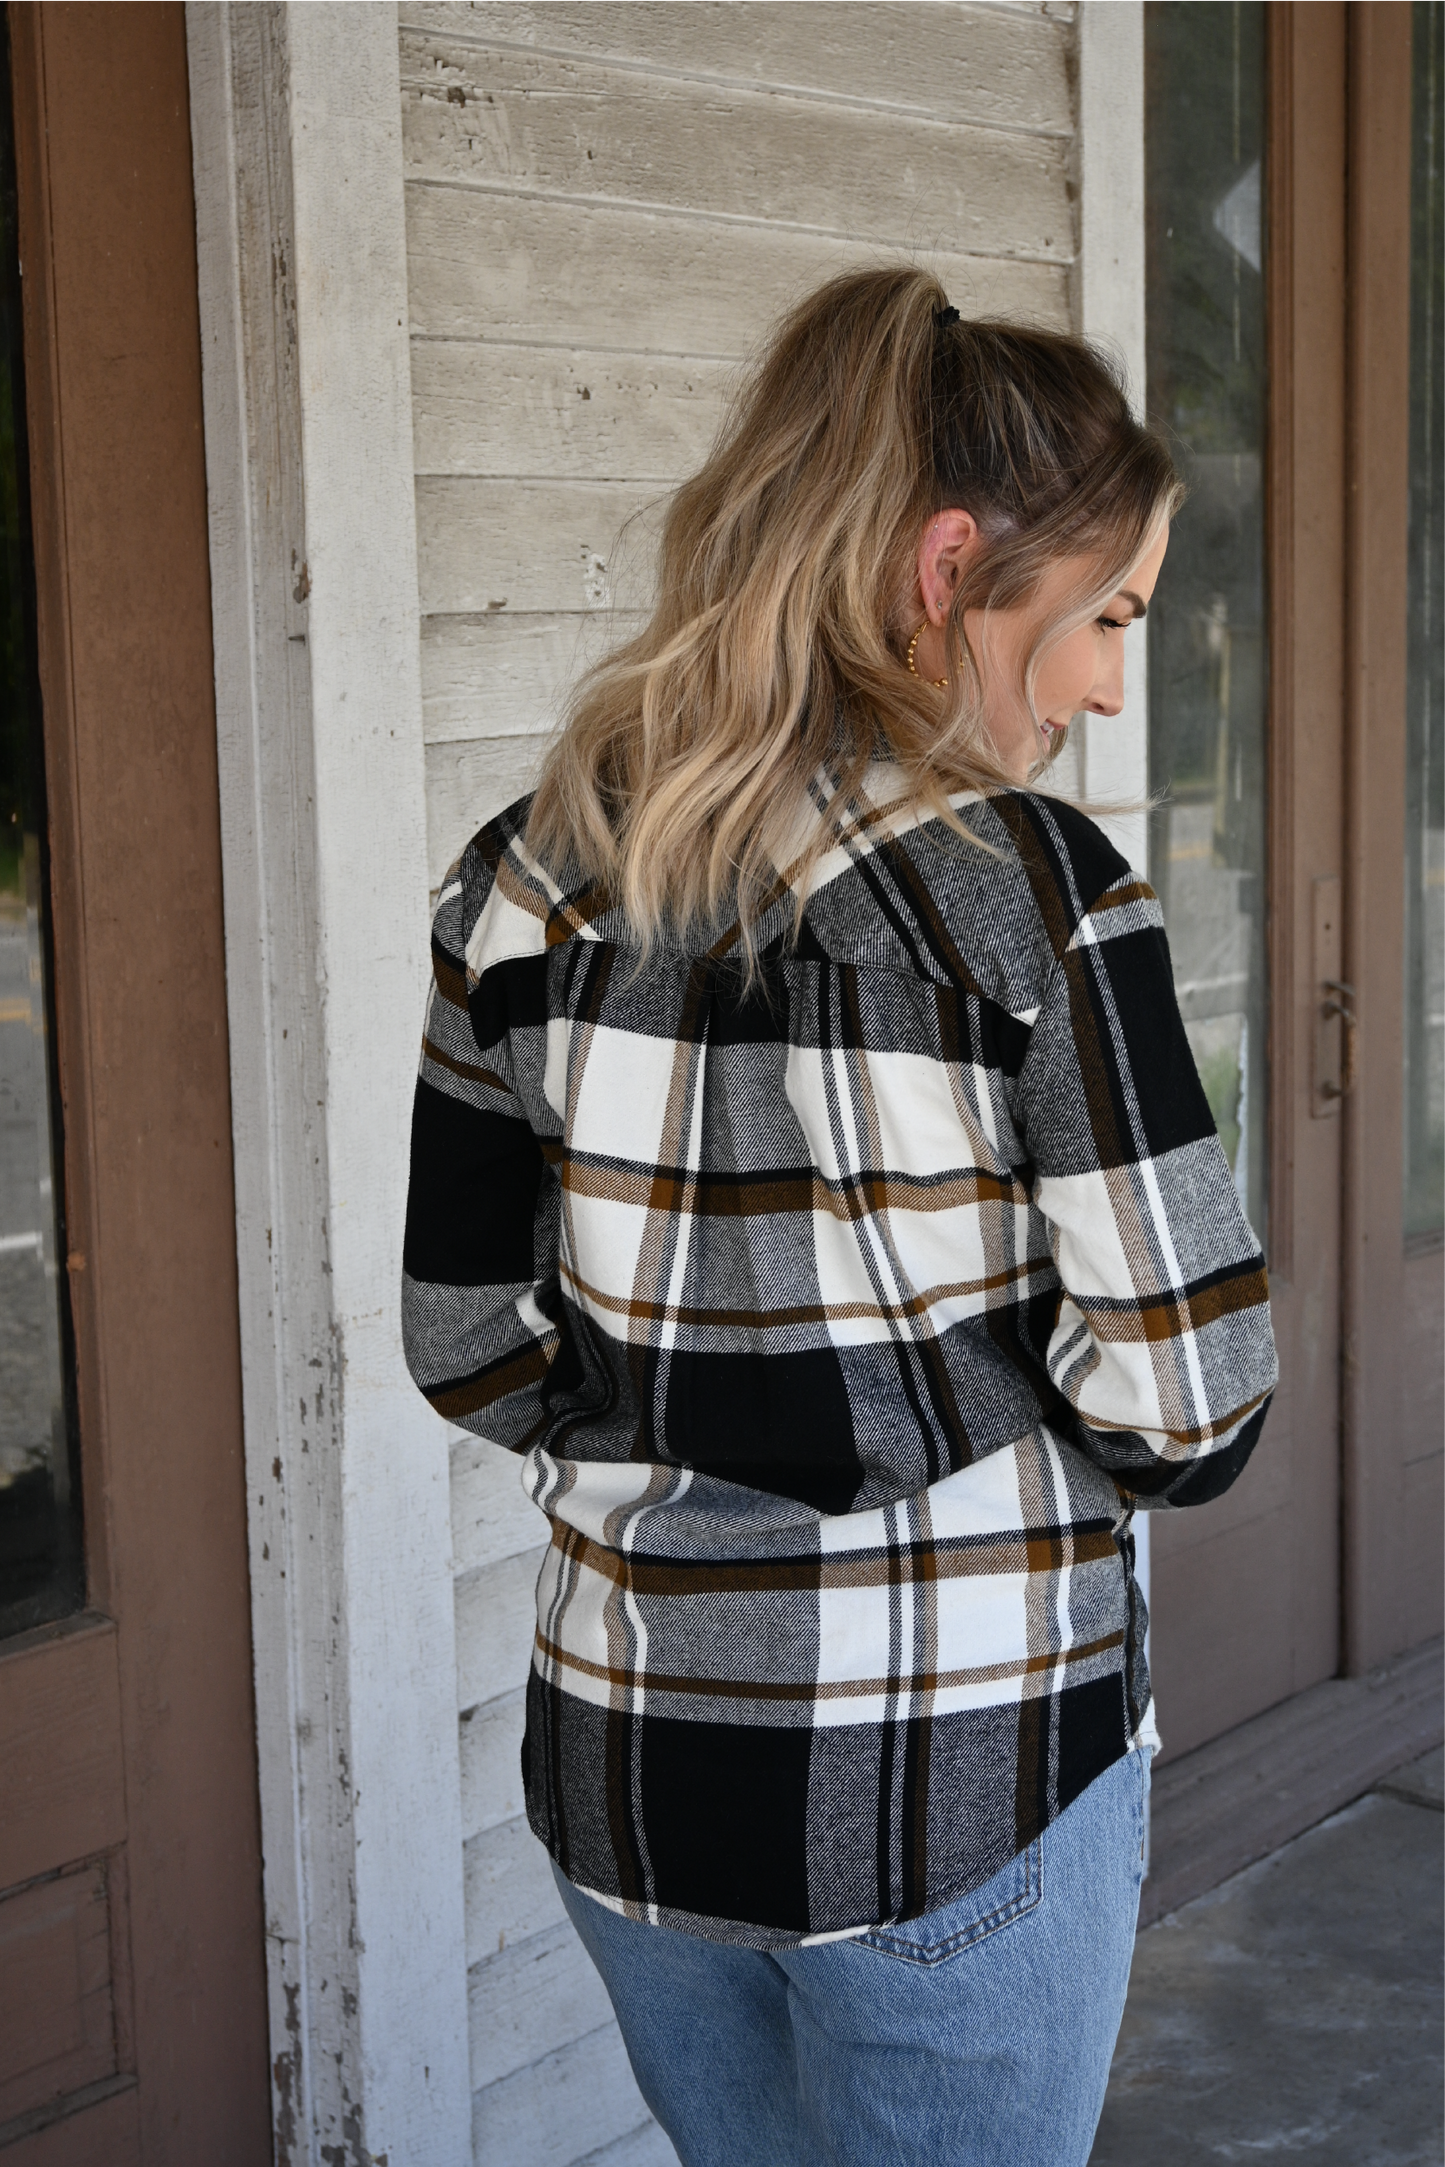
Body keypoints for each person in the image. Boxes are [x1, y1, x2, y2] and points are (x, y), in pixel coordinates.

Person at [402, 265, 1278, 2167]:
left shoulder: (524, 880)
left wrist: (677, 1431)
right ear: (950, 570)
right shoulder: (1029, 900)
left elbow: (464, 1346)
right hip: (955, 1789)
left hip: (629, 1777)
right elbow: (1196, 1408)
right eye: (1107, 614)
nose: (1119, 679)